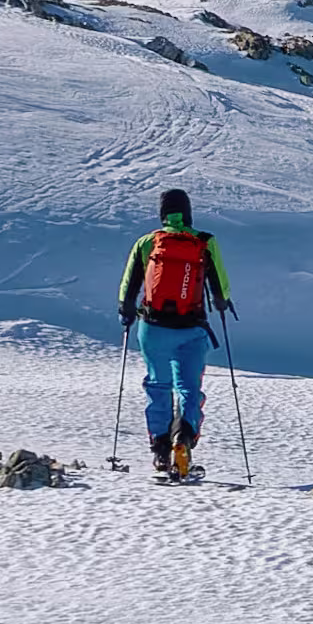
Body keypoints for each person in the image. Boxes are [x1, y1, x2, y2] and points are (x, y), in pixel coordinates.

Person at [114, 189, 234, 478]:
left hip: (153, 328)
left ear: (162, 214)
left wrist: (126, 312)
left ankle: (160, 450)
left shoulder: (147, 242)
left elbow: (128, 285)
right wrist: (222, 303)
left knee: (158, 385)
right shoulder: (204, 241)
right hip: (191, 327)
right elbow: (220, 286)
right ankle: (183, 440)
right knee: (189, 388)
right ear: (188, 212)